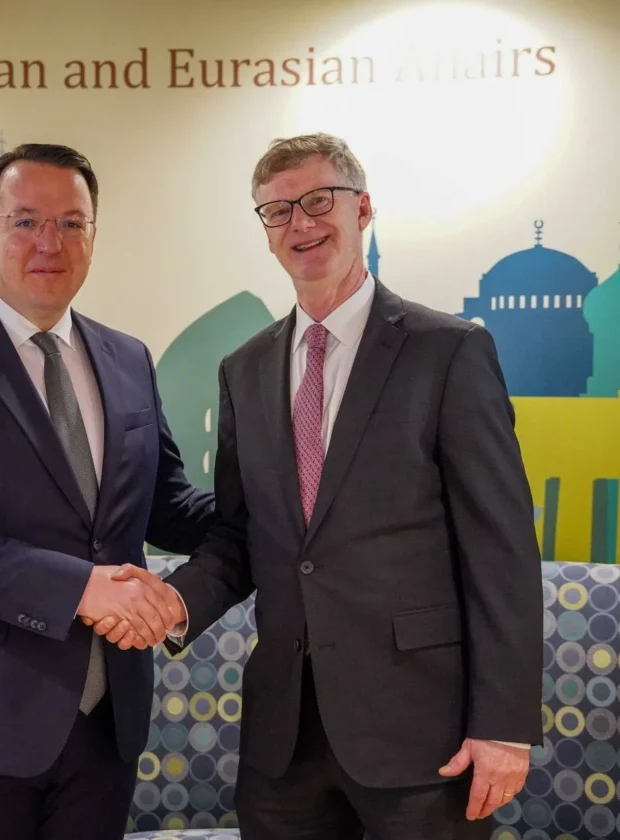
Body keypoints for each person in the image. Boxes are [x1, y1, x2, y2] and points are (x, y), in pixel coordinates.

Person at [93, 133, 543, 839]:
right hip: (284, 740)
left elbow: (501, 549)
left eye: (318, 201)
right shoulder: (244, 369)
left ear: (362, 209)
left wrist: (504, 726)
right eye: (278, 211)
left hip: (422, 733)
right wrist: (173, 603)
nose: (299, 223)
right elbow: (243, 534)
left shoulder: (448, 351)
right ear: (266, 231)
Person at [0, 142, 213, 840]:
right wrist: (81, 588)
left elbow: (165, 506)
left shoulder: (128, 358)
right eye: (26, 222)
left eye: (71, 223)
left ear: (93, 235)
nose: (50, 243)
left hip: (103, 722)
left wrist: (288, 501)